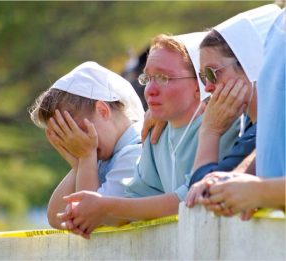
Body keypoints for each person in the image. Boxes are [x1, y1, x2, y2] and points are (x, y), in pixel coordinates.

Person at [56, 33, 240, 239]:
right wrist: (92, 211)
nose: (150, 90)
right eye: (148, 78)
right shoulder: (156, 132)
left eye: (163, 78)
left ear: (200, 84)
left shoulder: (224, 124)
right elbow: (135, 201)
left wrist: (105, 207)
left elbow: (189, 199)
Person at [183, 4, 283, 215]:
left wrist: (209, 131)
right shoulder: (249, 128)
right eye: (202, 78)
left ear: (250, 66)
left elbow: (203, 196)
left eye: (212, 74)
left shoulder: (252, 130)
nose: (208, 88)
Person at [29, 61, 144, 228]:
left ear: (102, 111)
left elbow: (89, 220)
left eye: (79, 131)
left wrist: (86, 156)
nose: (76, 143)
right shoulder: (97, 160)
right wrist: (79, 165)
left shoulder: (136, 152)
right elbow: (57, 218)